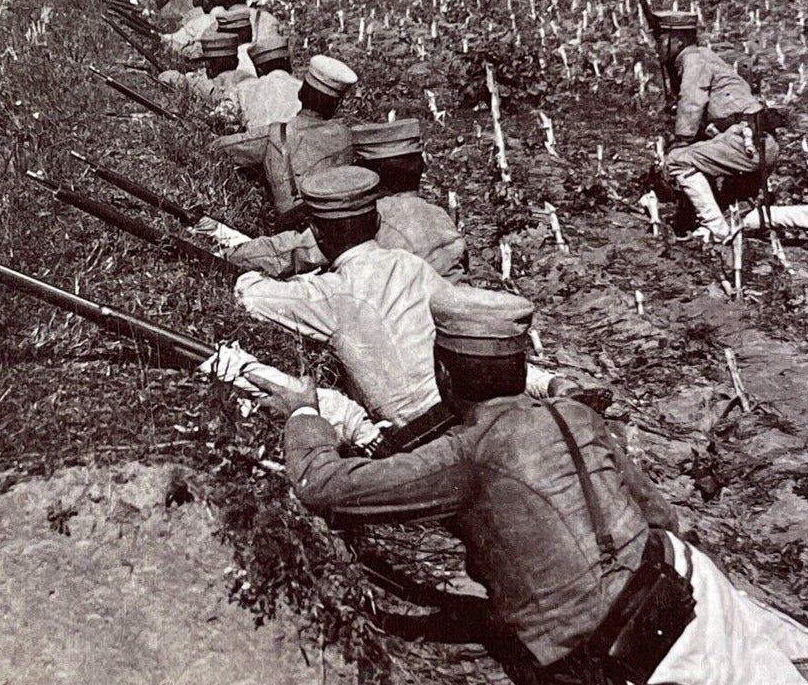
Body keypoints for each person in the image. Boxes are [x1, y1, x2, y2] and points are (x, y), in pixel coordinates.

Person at [251, 295, 808, 685]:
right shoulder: (575, 414)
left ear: (443, 374)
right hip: (675, 587)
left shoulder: (464, 455)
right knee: (737, 622)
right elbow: (662, 515)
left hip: (607, 653)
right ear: (522, 368)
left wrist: (305, 415)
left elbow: (320, 486)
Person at [229, 167, 568, 453]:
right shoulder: (410, 265)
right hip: (474, 412)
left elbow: (252, 296)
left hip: (418, 443)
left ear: (317, 233)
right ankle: (548, 388)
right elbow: (469, 331)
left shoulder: (331, 292)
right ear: (376, 221)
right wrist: (542, 382)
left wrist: (263, 275)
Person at [653, 9, 808, 244]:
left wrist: (680, 141)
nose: (657, 47)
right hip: (757, 142)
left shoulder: (694, 60)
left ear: (678, 40)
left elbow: (692, 102)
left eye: (661, 39)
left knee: (677, 161)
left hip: (743, 143)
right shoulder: (706, 57)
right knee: (736, 214)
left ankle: (716, 231)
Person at [217, 119, 466, 279]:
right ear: (420, 167)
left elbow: (292, 252)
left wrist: (227, 254)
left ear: (365, 175)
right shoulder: (439, 215)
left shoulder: (367, 217)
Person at [213, 55, 359, 230]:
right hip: (346, 223)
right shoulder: (345, 134)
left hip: (300, 229)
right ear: (334, 105)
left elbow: (219, 149)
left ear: (301, 93)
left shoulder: (274, 134)